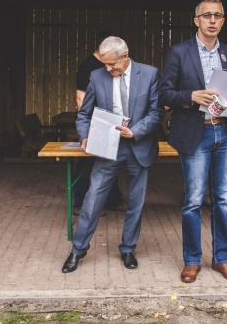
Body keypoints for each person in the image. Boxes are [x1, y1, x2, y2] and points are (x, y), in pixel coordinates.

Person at [160, 0, 227, 284]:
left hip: (224, 131)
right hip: (195, 133)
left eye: (217, 15)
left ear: (223, 21)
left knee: (222, 200)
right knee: (194, 201)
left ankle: (222, 258)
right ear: (196, 20)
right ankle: (192, 260)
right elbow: (164, 94)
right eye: (207, 15)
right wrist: (191, 96)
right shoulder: (178, 52)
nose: (212, 20)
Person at [62, 36, 164, 273]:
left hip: (138, 145)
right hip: (107, 146)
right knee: (92, 200)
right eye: (105, 64)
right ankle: (77, 249)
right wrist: (84, 136)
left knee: (136, 202)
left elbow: (156, 112)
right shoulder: (97, 76)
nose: (108, 69)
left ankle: (128, 249)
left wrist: (135, 131)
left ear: (125, 57)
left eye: (112, 64)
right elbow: (83, 114)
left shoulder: (149, 74)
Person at [72, 30, 125, 214]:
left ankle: (113, 200)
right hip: (95, 124)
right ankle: (79, 204)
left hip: (107, 122)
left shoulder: (105, 65)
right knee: (87, 164)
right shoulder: (88, 67)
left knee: (108, 161)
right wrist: (89, 129)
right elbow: (80, 99)